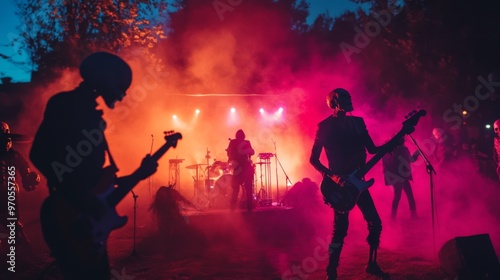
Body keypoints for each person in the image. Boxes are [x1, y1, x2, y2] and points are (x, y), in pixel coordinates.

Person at [30, 52, 158, 280]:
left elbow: (92, 180)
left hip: (81, 217)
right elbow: (39, 154)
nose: (123, 94)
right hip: (68, 215)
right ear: (104, 80)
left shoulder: (91, 115)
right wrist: (80, 197)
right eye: (121, 86)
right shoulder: (66, 105)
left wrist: (140, 172)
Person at [310, 88, 389, 279]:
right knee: (340, 230)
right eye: (342, 98)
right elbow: (314, 159)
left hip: (359, 183)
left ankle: (372, 264)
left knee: (375, 223)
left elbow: (372, 149)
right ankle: (331, 271)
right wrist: (333, 176)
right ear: (333, 103)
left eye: (348, 97)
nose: (347, 101)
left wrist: (392, 143)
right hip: (340, 185)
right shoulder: (325, 126)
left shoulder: (358, 123)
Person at [0, 122, 40, 259]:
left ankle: (21, 250)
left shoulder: (14, 155)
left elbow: (26, 176)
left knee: (12, 222)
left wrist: (31, 179)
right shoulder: (14, 155)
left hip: (9, 192)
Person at [382, 137, 419, 219]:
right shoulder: (403, 149)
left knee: (399, 196)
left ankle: (393, 217)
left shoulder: (386, 150)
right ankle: (412, 215)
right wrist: (416, 154)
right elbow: (411, 159)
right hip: (401, 176)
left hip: (395, 177)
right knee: (407, 196)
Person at [226, 129, 255, 212]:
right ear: (243, 136)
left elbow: (229, 153)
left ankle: (232, 208)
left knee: (236, 189)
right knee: (248, 188)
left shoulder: (233, 142)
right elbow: (252, 152)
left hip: (238, 168)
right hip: (245, 168)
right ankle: (249, 207)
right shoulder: (246, 142)